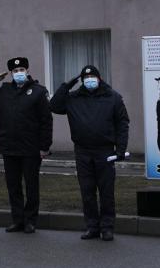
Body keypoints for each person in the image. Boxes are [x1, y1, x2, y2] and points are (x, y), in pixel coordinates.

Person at [49, 66, 129, 241]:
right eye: (86, 78)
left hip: (105, 151)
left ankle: (107, 227)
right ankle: (92, 226)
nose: (89, 80)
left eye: (93, 76)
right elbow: (53, 106)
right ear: (82, 81)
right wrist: (66, 86)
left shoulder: (113, 97)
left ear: (99, 79)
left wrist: (121, 149)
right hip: (82, 151)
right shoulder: (73, 98)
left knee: (106, 191)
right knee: (87, 191)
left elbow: (123, 123)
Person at [0, 57, 52, 234]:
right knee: (13, 186)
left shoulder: (38, 92)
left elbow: (46, 121)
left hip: (31, 147)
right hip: (10, 146)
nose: (19, 73)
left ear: (27, 71)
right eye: (15, 71)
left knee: (31, 185)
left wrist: (44, 146)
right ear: (11, 74)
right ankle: (17, 220)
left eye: (21, 70)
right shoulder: (4, 91)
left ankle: (30, 221)